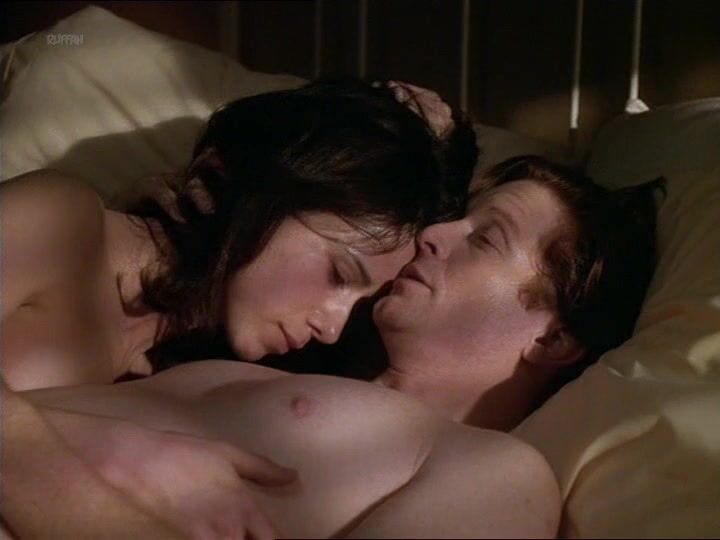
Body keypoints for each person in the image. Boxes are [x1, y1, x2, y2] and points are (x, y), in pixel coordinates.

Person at [9, 156, 664, 538]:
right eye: (457, 214)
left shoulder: (501, 472)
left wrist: (68, 466)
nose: (436, 233)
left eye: (486, 238)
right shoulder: (260, 360)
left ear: (554, 337)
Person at [1, 78, 478, 538]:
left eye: (356, 308)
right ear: (260, 189)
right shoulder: (61, 222)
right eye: (339, 273)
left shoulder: (199, 374)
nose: (331, 327)